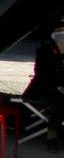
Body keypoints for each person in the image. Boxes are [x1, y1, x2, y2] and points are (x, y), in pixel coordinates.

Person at [24, 23, 64, 151]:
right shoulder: (46, 50)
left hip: (57, 88)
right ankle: (52, 138)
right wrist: (58, 86)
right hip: (44, 89)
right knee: (59, 102)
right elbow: (43, 75)